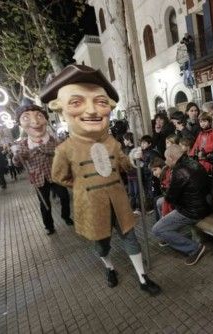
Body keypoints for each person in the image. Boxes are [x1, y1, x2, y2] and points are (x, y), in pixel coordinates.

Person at [42, 64, 161, 295]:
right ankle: (109, 267)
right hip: (92, 205)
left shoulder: (112, 143)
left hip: (119, 202)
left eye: (101, 102)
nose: (92, 111)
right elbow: (58, 176)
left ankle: (143, 278)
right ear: (61, 109)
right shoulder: (64, 149)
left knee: (131, 239)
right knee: (101, 243)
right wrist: (82, 185)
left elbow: (124, 166)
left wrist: (133, 158)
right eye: (76, 103)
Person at [13, 104, 73, 234]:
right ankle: (49, 226)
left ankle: (66, 216)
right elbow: (17, 164)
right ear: (20, 124)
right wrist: (17, 157)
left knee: (64, 197)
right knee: (45, 204)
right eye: (26, 118)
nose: (35, 122)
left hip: (55, 175)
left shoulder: (54, 140)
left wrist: (36, 150)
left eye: (39, 116)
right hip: (39, 179)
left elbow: (59, 152)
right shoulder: (22, 145)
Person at [152, 144, 209, 265]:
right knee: (160, 202)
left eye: (166, 159)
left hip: (191, 212)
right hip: (202, 204)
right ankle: (169, 236)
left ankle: (194, 248)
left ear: (172, 158)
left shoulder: (179, 171)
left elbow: (171, 197)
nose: (166, 162)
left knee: (157, 229)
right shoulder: (194, 162)